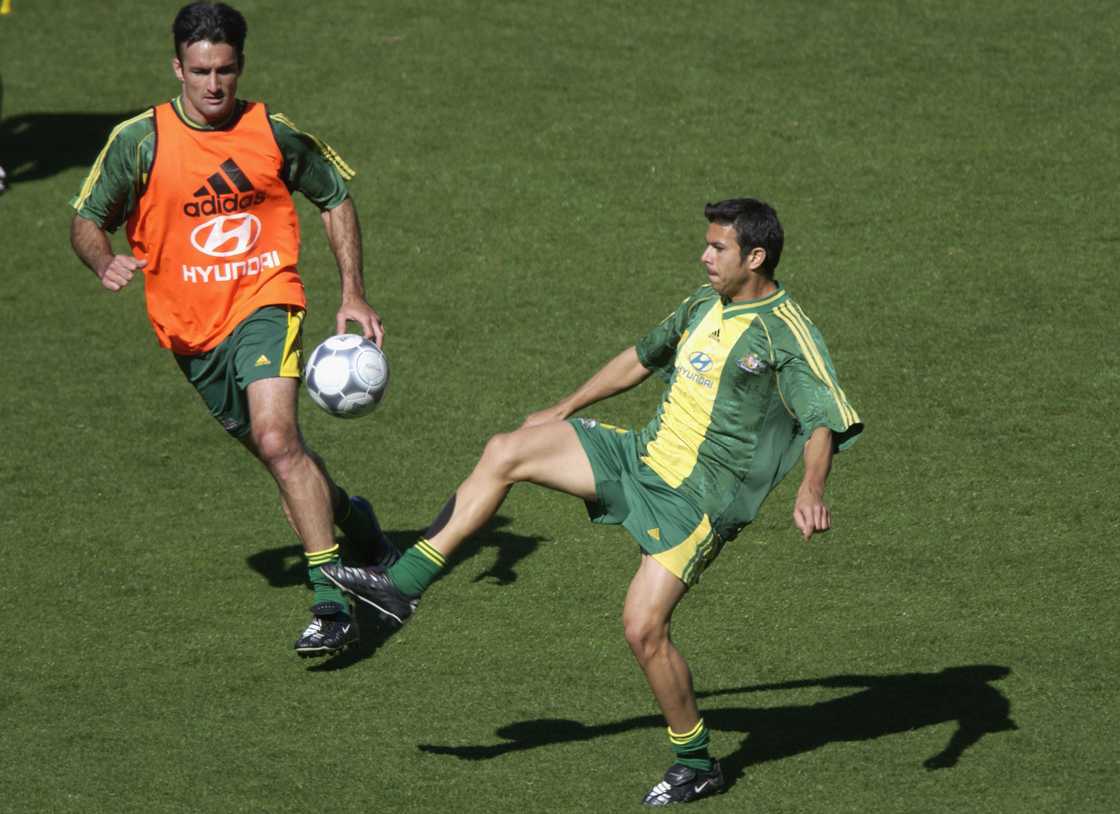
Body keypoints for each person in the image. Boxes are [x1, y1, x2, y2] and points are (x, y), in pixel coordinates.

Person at [325, 198, 864, 805]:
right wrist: (563, 408)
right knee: (507, 450)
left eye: (718, 248)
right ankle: (403, 585)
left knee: (643, 630)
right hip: (641, 456)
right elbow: (639, 358)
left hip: (698, 503)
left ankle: (697, 762)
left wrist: (811, 489)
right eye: (707, 244)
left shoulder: (785, 331)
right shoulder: (702, 304)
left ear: (755, 257)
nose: (704, 255)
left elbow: (823, 419)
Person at [69, 1, 397, 658]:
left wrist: (353, 291)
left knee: (279, 438)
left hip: (265, 298)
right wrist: (104, 261)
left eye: (225, 70)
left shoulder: (271, 132)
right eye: (200, 71)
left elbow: (333, 196)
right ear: (177, 67)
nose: (214, 85)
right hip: (191, 333)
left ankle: (332, 602)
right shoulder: (140, 141)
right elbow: (87, 218)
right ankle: (357, 526)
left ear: (240, 66)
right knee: (283, 460)